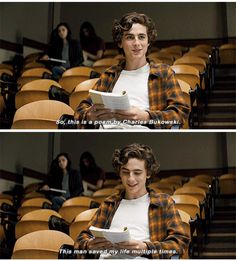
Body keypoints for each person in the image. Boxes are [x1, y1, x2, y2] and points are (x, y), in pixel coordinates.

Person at [74, 12, 190, 129]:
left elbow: (180, 113)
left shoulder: (163, 72)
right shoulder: (109, 74)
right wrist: (89, 116)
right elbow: (80, 110)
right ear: (120, 42)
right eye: (130, 37)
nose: (136, 43)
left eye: (141, 37)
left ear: (148, 41)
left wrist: (147, 117)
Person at [74, 143, 190, 259]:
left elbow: (180, 242)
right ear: (119, 172)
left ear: (148, 173)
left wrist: (146, 248)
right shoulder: (109, 203)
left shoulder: (163, 202)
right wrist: (89, 245)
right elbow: (82, 239)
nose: (130, 178)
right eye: (125, 172)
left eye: (137, 173)